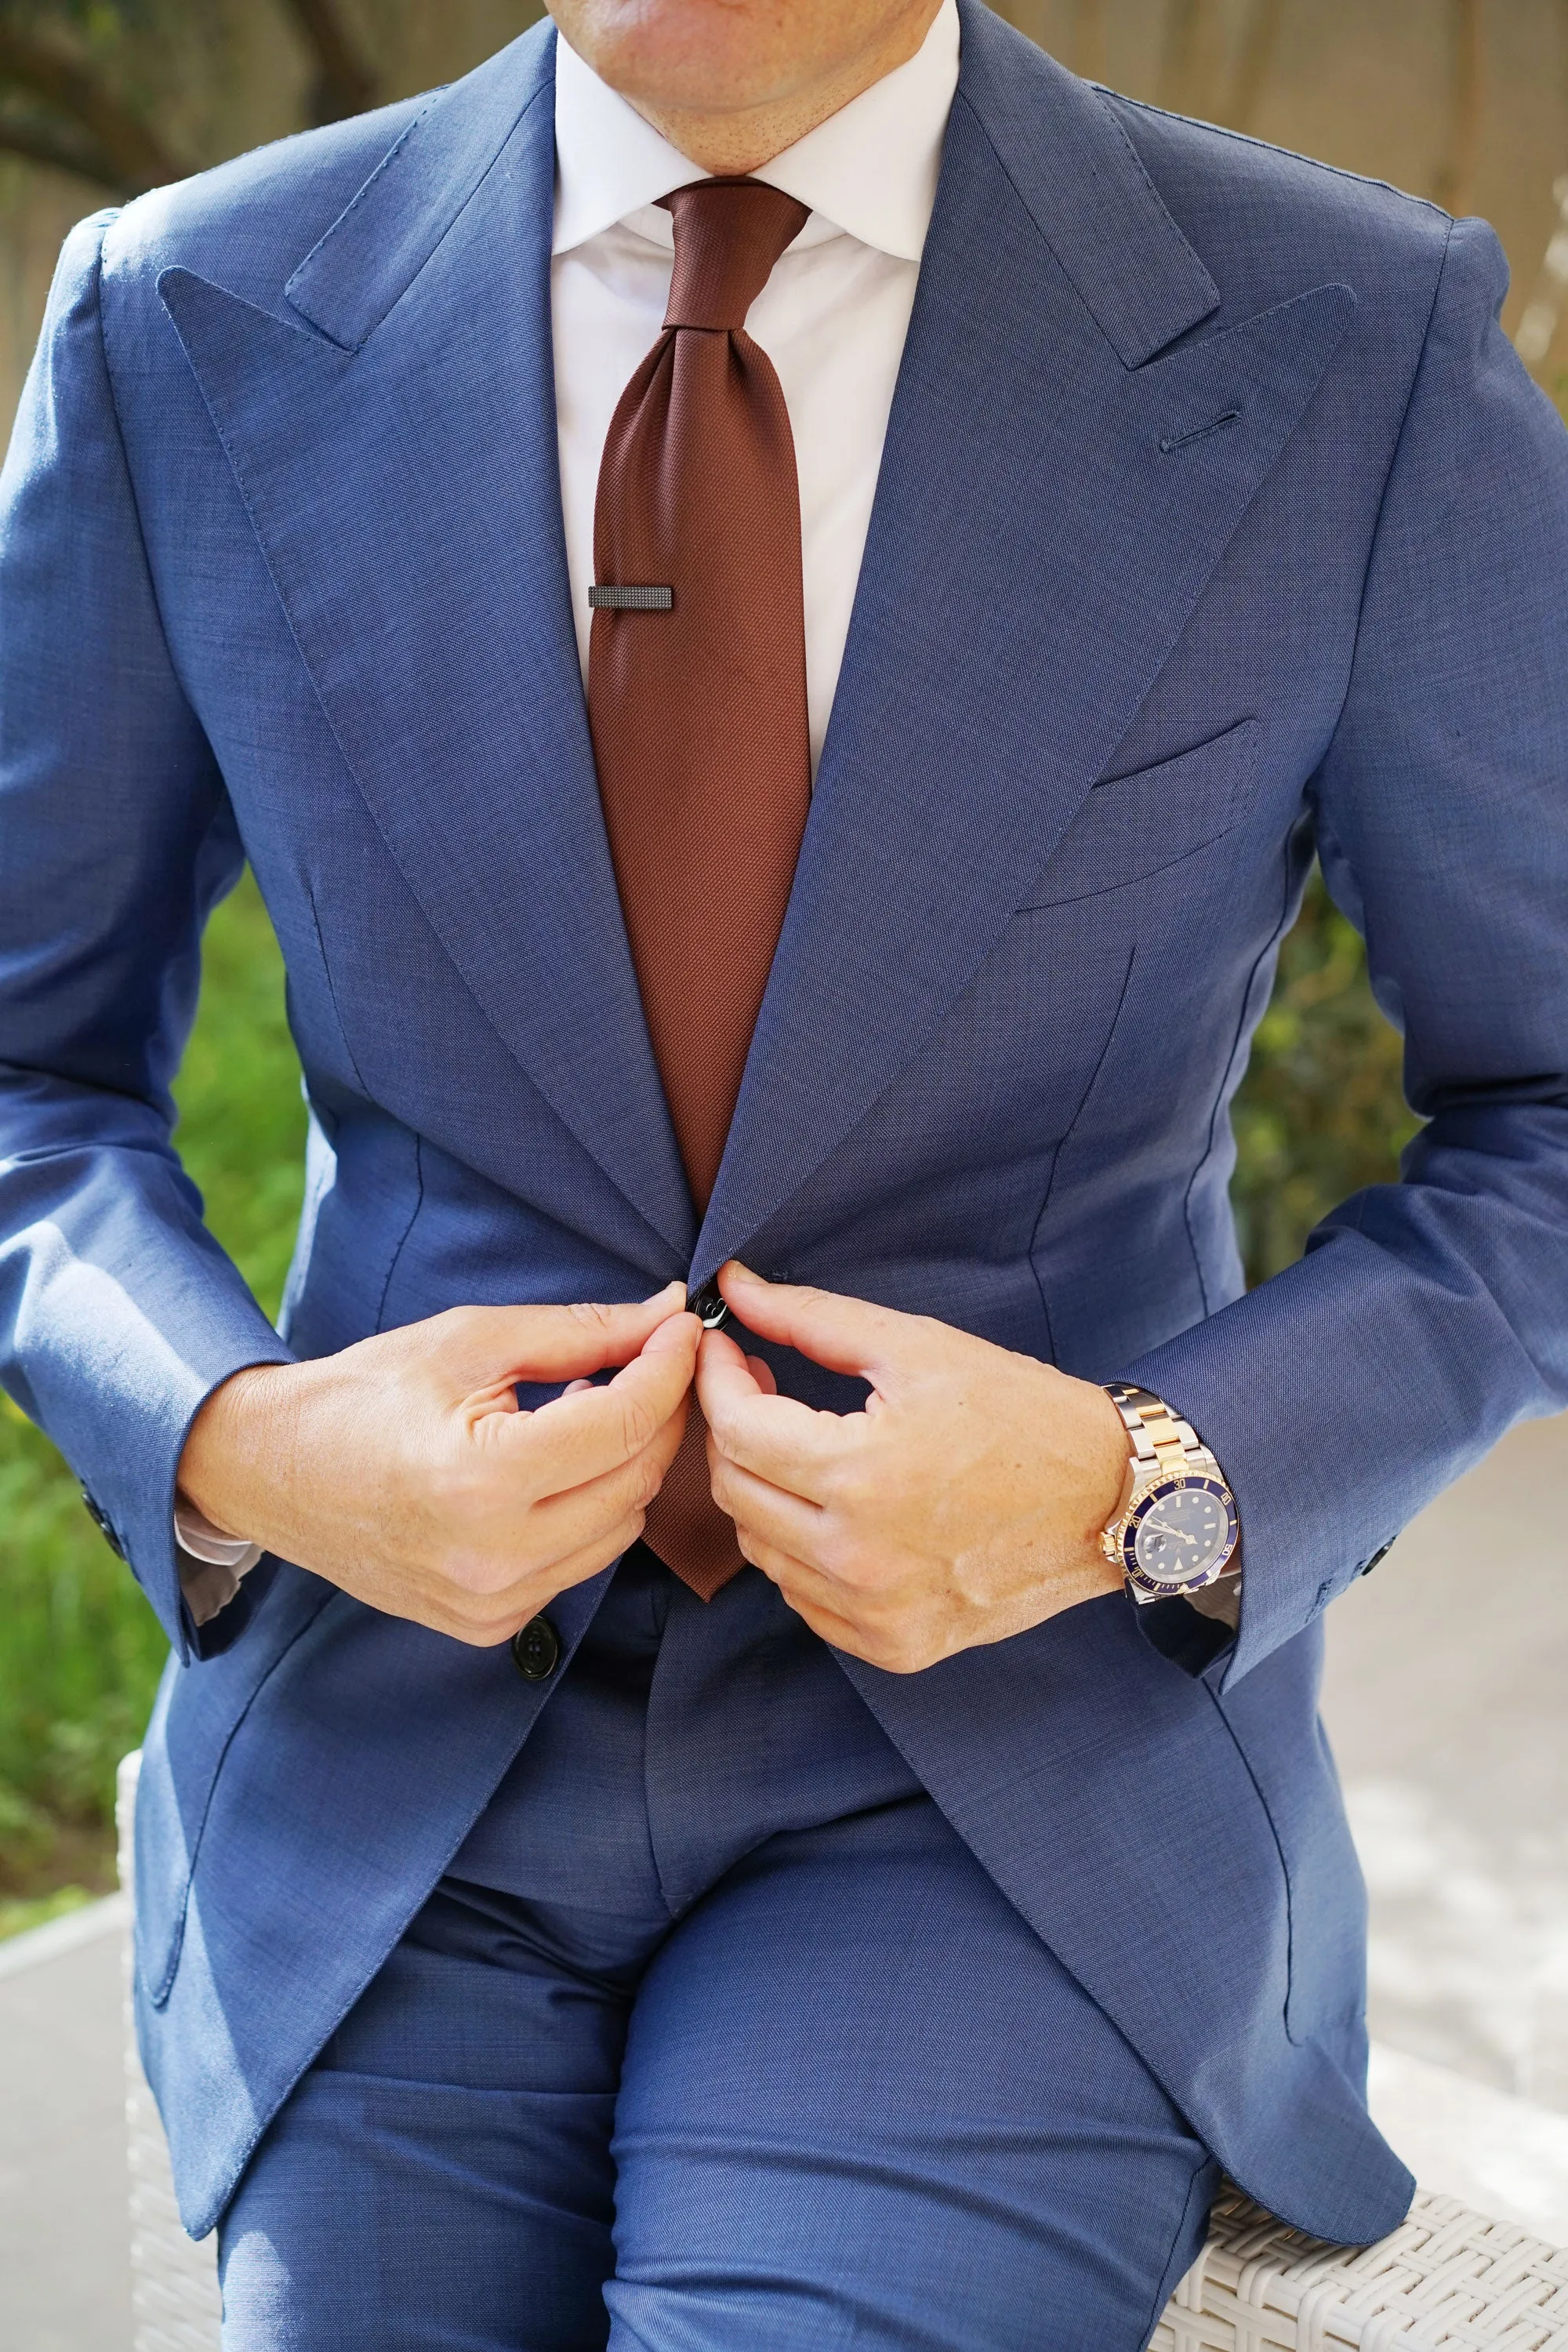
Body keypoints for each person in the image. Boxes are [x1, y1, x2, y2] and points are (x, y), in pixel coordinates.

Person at [0, 0, 1565, 2341]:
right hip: (393, 1754)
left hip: (1003, 1784)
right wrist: (246, 1443)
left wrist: (1140, 1480)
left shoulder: (1359, 338)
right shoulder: (181, 312)